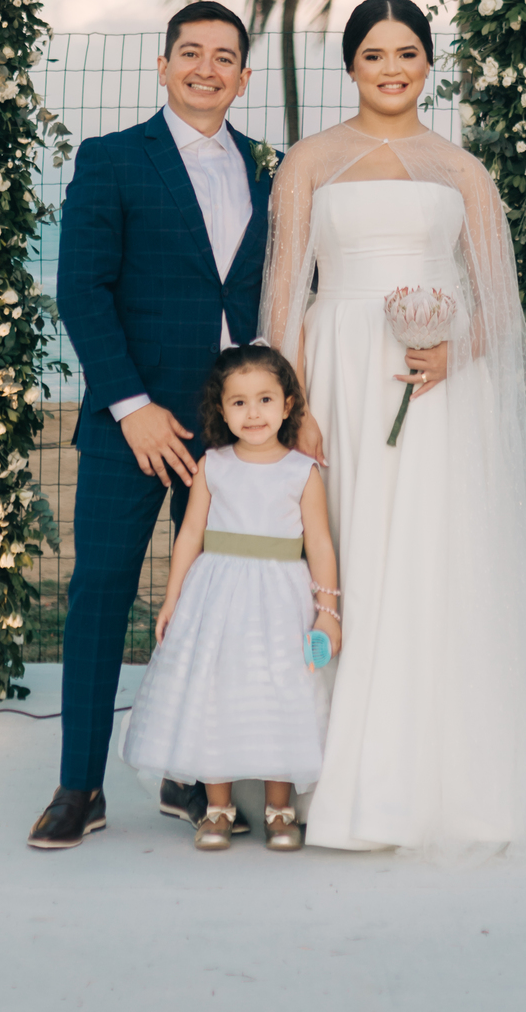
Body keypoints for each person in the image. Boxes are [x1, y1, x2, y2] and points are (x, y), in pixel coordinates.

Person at [261, 0, 526, 859]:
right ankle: (316, 766)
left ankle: (430, 772)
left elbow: (499, 303)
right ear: (351, 65)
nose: (391, 68)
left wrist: (455, 352)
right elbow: (284, 294)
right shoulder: (309, 160)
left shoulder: (462, 170)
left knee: (424, 555)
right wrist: (293, 405)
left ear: (427, 62)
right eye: (374, 53)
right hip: (336, 372)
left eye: (407, 52)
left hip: (431, 386)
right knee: (344, 556)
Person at [28, 3, 281, 850]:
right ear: (164, 64)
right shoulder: (109, 160)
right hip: (131, 427)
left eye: (225, 57)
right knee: (100, 595)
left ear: (245, 76)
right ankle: (80, 785)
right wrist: (131, 407)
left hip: (233, 436)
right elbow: (82, 292)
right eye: (192, 53)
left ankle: (189, 768)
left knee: (215, 609)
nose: (207, 68)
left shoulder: (269, 168)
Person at [121, 345, 339, 851]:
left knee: (279, 691)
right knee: (215, 693)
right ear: (221, 410)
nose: (253, 412)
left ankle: (279, 809)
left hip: (282, 599)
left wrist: (328, 612)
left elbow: (321, 542)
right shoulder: (212, 465)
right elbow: (191, 533)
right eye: (238, 403)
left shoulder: (301, 471)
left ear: (288, 406)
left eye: (265, 399)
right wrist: (173, 599)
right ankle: (217, 808)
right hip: (215, 598)